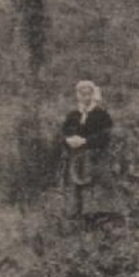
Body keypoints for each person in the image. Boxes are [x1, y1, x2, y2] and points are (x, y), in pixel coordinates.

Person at [58, 80, 118, 222]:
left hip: (95, 159)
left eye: (88, 93)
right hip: (75, 160)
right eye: (82, 93)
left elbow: (106, 136)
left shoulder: (102, 115)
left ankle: (97, 220)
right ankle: (75, 220)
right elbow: (63, 134)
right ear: (78, 95)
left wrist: (86, 141)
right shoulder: (73, 115)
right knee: (74, 191)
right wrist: (68, 141)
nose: (85, 96)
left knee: (94, 191)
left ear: (93, 94)